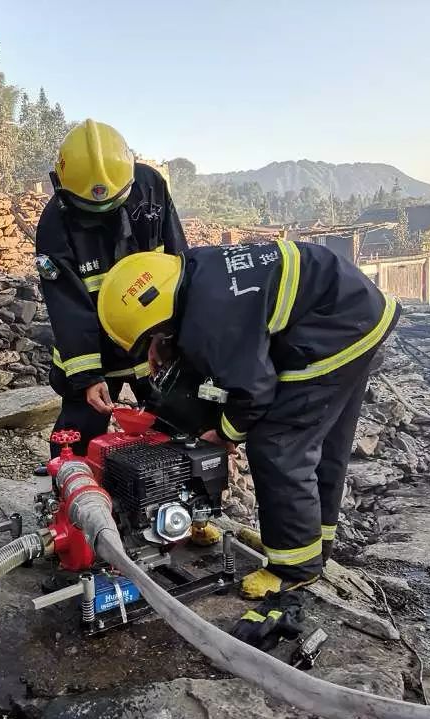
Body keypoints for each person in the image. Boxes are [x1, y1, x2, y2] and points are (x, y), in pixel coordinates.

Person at [96, 239, 401, 649]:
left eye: (151, 336)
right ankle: (314, 542)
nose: (153, 344)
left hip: (336, 328)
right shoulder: (191, 273)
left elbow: (254, 391)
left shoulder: (213, 320)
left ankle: (295, 567)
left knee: (278, 444)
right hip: (354, 310)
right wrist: (163, 345)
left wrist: (224, 433)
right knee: (323, 442)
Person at [35, 119, 187, 463]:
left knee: (177, 429)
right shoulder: (54, 225)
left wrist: (177, 343)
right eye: (92, 212)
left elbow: (181, 265)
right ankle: (73, 497)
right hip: (94, 351)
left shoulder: (151, 187)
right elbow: (67, 305)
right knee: (78, 437)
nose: (106, 218)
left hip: (154, 344)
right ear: (63, 189)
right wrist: (88, 377)